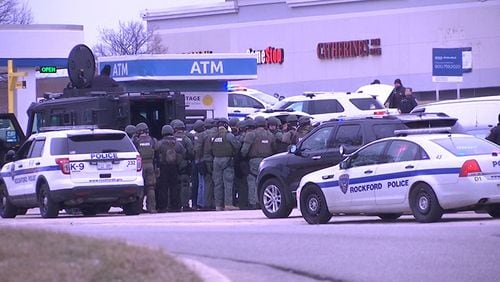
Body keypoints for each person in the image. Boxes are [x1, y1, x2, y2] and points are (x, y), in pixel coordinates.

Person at [241, 116, 275, 209]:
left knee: (252, 180)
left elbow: (244, 150)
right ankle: (264, 202)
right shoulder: (270, 135)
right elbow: (274, 148)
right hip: (267, 161)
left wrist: (243, 158)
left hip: (254, 160)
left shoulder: (251, 134)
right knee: (264, 181)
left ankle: (253, 203)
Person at [209, 119, 241, 211]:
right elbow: (237, 146)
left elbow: (210, 148)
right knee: (228, 183)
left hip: (216, 160)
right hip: (227, 160)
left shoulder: (213, 137)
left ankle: (218, 205)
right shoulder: (229, 136)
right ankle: (228, 204)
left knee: (218, 184)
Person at [156, 125, 186, 212]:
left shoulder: (159, 143)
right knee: (175, 187)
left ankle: (162, 207)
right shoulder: (177, 144)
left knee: (162, 187)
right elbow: (183, 153)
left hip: (163, 167)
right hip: (174, 168)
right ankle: (175, 206)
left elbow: (155, 154)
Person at [133, 122, 158, 213]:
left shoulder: (135, 141)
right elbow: (156, 151)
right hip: (150, 165)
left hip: (140, 165)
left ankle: (139, 208)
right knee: (151, 187)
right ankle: (151, 208)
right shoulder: (152, 140)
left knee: (140, 187)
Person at [171, 120, 194, 211]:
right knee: (185, 185)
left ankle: (174, 205)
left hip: (173, 165)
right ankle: (185, 205)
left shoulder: (171, 139)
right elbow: (191, 152)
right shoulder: (186, 139)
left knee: (174, 186)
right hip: (184, 165)